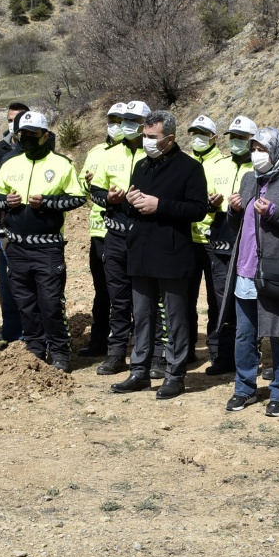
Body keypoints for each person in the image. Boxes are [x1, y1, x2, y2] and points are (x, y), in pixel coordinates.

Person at [108, 112, 209, 399]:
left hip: (172, 254)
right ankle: (138, 371)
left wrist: (160, 205)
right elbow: (133, 208)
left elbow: (198, 209)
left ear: (170, 139)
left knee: (174, 319)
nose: (146, 141)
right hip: (140, 251)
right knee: (141, 316)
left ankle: (174, 375)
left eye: (152, 137)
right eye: (145, 135)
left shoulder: (189, 168)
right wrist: (129, 203)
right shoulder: (141, 166)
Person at [219, 128, 279, 417]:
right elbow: (241, 227)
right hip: (246, 269)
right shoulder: (250, 178)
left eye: (262, 148)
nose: (256, 154)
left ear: (277, 150)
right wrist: (234, 211)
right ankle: (244, 389)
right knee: (244, 335)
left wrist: (275, 212)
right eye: (254, 148)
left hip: (277, 271)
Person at [0, 111, 85, 370]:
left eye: (33, 134)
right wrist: (4, 201)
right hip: (17, 246)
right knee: (25, 303)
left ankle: (60, 353)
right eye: (23, 134)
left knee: (51, 303)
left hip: (48, 247)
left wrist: (47, 203)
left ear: (45, 136)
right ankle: (34, 348)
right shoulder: (11, 163)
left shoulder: (61, 164)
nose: (28, 139)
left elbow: (77, 198)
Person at [91, 101, 149, 376]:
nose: (126, 124)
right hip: (114, 236)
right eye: (124, 119)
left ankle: (146, 355)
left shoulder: (155, 156)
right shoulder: (109, 155)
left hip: (145, 237)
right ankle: (116, 354)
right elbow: (95, 191)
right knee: (119, 299)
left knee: (147, 299)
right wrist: (107, 198)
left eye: (133, 120)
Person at [203, 116, 256, 376]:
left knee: (248, 301)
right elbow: (201, 201)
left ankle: (248, 358)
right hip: (220, 244)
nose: (236, 142)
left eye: (242, 138)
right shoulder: (217, 166)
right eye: (232, 137)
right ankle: (223, 357)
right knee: (221, 302)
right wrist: (211, 203)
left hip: (247, 246)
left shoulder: (258, 169)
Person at [78, 103, 126, 357]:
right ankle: (99, 341)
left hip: (125, 231)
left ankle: (129, 340)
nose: (115, 125)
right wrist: (87, 184)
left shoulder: (133, 153)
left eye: (120, 120)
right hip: (100, 233)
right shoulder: (96, 152)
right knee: (102, 291)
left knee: (126, 291)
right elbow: (82, 185)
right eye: (111, 120)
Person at [0, 101, 30, 343]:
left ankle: (33, 331)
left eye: (19, 118)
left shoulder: (38, 148)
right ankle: (11, 332)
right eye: (10, 119)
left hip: (30, 227)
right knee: (6, 280)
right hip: (1, 225)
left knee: (30, 280)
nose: (14, 123)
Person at [185, 114, 224, 368]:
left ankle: (217, 351)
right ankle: (185, 349)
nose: (198, 138)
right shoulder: (186, 164)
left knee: (216, 299)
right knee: (185, 298)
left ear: (214, 137)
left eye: (203, 133)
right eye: (194, 133)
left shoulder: (224, 164)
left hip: (214, 240)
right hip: (187, 239)